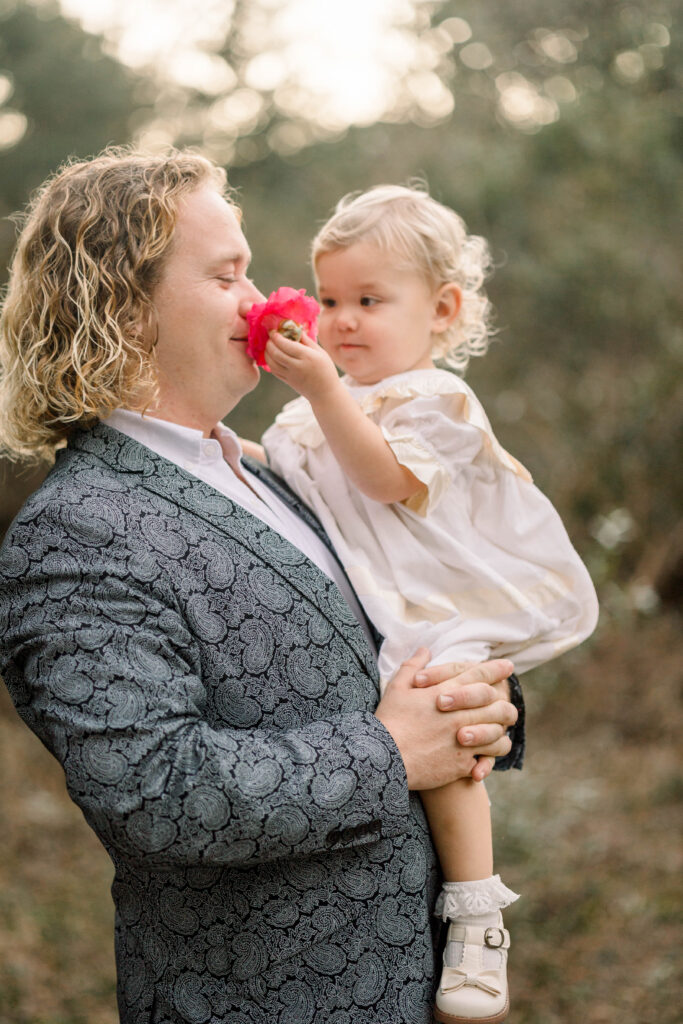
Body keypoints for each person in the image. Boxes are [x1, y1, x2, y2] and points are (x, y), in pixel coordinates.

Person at [0, 148, 522, 1024]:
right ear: (126, 307)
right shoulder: (75, 532)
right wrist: (392, 751)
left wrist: (479, 705)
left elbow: (391, 633)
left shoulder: (277, 473)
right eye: (227, 275)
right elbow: (154, 794)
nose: (262, 300)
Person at [260, 184, 599, 1023]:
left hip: (445, 602)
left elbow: (383, 477)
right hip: (378, 598)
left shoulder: (434, 402)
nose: (342, 320)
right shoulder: (321, 416)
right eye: (330, 298)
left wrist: (321, 391)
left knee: (442, 705)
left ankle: (478, 918)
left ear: (441, 309)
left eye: (370, 300)